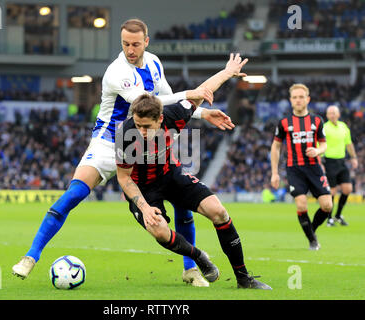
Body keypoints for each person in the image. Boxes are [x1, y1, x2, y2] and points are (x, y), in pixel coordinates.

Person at [12, 18, 227, 286]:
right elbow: (143, 102)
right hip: (108, 141)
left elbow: (166, 103)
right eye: (125, 43)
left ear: (146, 42)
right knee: (75, 193)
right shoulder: (116, 72)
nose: (130, 49)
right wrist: (191, 92)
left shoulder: (154, 63)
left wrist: (202, 112)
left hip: (145, 141)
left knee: (180, 201)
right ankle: (30, 257)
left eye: (136, 44)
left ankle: (190, 269)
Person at [116, 55, 272, 290]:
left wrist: (228, 71)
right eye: (138, 126)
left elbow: (202, 91)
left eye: (147, 127)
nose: (141, 131)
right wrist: (145, 208)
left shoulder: (174, 115)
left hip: (171, 175)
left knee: (218, 211)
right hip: (144, 188)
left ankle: (243, 278)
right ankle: (198, 256)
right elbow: (124, 177)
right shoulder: (125, 134)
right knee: (159, 230)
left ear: (160, 119)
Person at [270, 83, 333, 250]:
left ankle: (311, 230)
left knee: (327, 205)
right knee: (301, 204)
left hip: (314, 167)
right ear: (291, 100)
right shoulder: (284, 123)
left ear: (308, 99)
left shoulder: (317, 120)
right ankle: (312, 240)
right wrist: (274, 173)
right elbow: (275, 147)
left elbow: (324, 144)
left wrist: (318, 150)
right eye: (295, 97)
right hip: (294, 168)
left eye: (301, 97)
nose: (298, 100)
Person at [323, 105, 358, 227]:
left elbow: (349, 143)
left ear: (338, 114)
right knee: (332, 191)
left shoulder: (343, 127)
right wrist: (319, 162)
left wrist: (353, 157)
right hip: (329, 161)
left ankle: (338, 215)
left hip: (341, 162)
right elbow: (318, 144)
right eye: (330, 113)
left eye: (334, 112)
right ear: (327, 115)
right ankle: (329, 218)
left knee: (347, 189)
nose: (332, 115)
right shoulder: (324, 128)